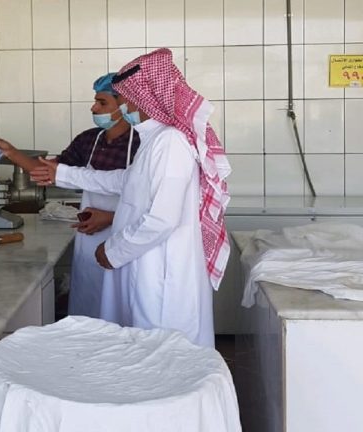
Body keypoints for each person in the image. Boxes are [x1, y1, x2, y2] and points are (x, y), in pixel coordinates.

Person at [30, 48, 231, 347]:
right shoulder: (154, 140)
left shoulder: (171, 143)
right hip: (145, 264)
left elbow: (162, 219)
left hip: (159, 272)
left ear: (143, 97)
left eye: (125, 99)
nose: (124, 106)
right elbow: (124, 181)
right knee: (140, 346)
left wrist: (113, 251)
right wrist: (61, 173)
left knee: (161, 349)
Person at [0, 73, 140, 319]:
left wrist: (111, 217)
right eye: (95, 101)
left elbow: (153, 198)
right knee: (90, 303)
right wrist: (12, 153)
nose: (93, 108)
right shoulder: (88, 140)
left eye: (102, 102)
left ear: (124, 105)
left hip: (126, 234)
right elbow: (49, 171)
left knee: (119, 308)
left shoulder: (141, 143)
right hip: (89, 237)